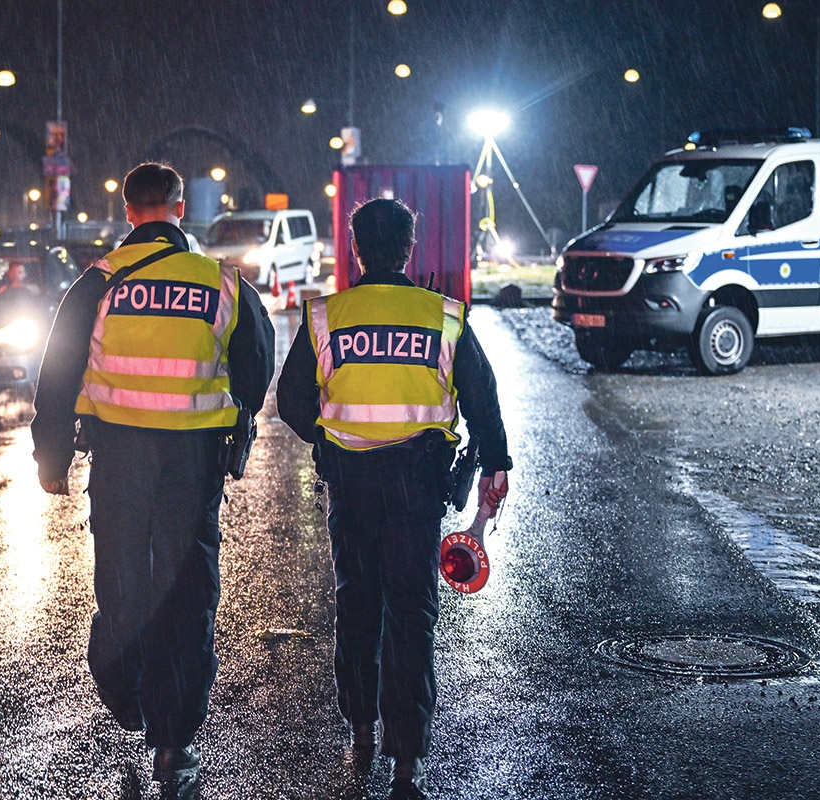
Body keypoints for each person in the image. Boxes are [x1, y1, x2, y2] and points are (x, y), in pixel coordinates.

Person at [30, 162, 274, 791]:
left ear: (129, 210)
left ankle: (126, 688)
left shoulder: (98, 281)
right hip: (192, 464)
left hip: (120, 458)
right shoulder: (221, 281)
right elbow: (257, 359)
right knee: (188, 591)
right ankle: (173, 739)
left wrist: (51, 456)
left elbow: (57, 372)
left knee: (120, 583)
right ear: (180, 205)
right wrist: (236, 417)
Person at [276, 198, 512, 800]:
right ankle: (405, 761)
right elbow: (482, 398)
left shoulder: (328, 315)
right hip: (418, 485)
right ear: (409, 249)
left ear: (356, 248)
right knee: (411, 616)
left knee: (357, 606)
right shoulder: (443, 314)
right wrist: (496, 464)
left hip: (350, 486)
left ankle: (360, 735)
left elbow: (293, 403)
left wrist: (330, 441)